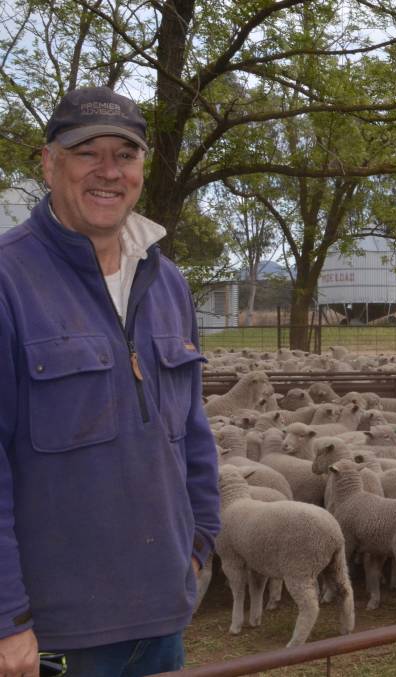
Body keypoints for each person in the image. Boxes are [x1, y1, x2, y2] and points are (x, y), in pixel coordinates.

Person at [0, 87, 220, 677]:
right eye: (85, 153)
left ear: (143, 168)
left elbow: (192, 429)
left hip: (161, 618)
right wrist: (5, 620)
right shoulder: (8, 280)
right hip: (54, 633)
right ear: (48, 164)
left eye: (125, 155)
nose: (108, 171)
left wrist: (199, 544)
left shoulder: (168, 282)